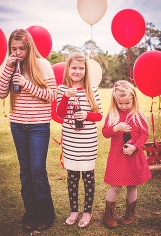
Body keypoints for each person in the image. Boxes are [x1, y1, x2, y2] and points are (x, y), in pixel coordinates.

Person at [0, 29, 58, 232]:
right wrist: (8, 66)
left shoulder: (42, 65)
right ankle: (30, 213)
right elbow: (0, 93)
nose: (18, 52)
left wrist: (27, 85)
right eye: (13, 49)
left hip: (38, 126)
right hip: (18, 125)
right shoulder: (12, 66)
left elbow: (51, 95)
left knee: (37, 170)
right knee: (25, 172)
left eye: (21, 48)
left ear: (29, 47)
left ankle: (45, 215)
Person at [55, 52, 102, 228]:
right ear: (68, 69)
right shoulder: (62, 90)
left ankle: (87, 211)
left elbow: (99, 116)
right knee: (72, 177)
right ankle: (74, 210)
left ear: (85, 70)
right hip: (71, 142)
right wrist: (66, 96)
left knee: (88, 177)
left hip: (87, 142)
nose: (77, 71)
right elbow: (60, 114)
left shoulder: (92, 90)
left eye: (81, 68)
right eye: (74, 67)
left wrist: (87, 115)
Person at [101, 80, 151, 228]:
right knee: (115, 186)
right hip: (117, 158)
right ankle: (108, 215)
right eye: (120, 103)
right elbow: (105, 132)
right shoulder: (112, 115)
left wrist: (135, 147)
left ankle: (130, 213)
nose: (123, 106)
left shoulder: (137, 115)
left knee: (132, 186)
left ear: (133, 100)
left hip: (133, 157)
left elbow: (144, 134)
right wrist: (115, 128)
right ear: (115, 101)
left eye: (127, 103)